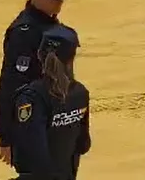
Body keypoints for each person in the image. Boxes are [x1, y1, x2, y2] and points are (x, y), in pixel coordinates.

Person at [0, 0, 75, 168]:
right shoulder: (23, 33)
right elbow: (11, 83)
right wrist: (6, 136)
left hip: (57, 120)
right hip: (31, 123)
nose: (59, 2)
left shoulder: (55, 27)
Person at [12, 25, 91, 180]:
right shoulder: (80, 93)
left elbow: (31, 152)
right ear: (71, 58)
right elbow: (83, 145)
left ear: (39, 55)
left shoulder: (31, 97)